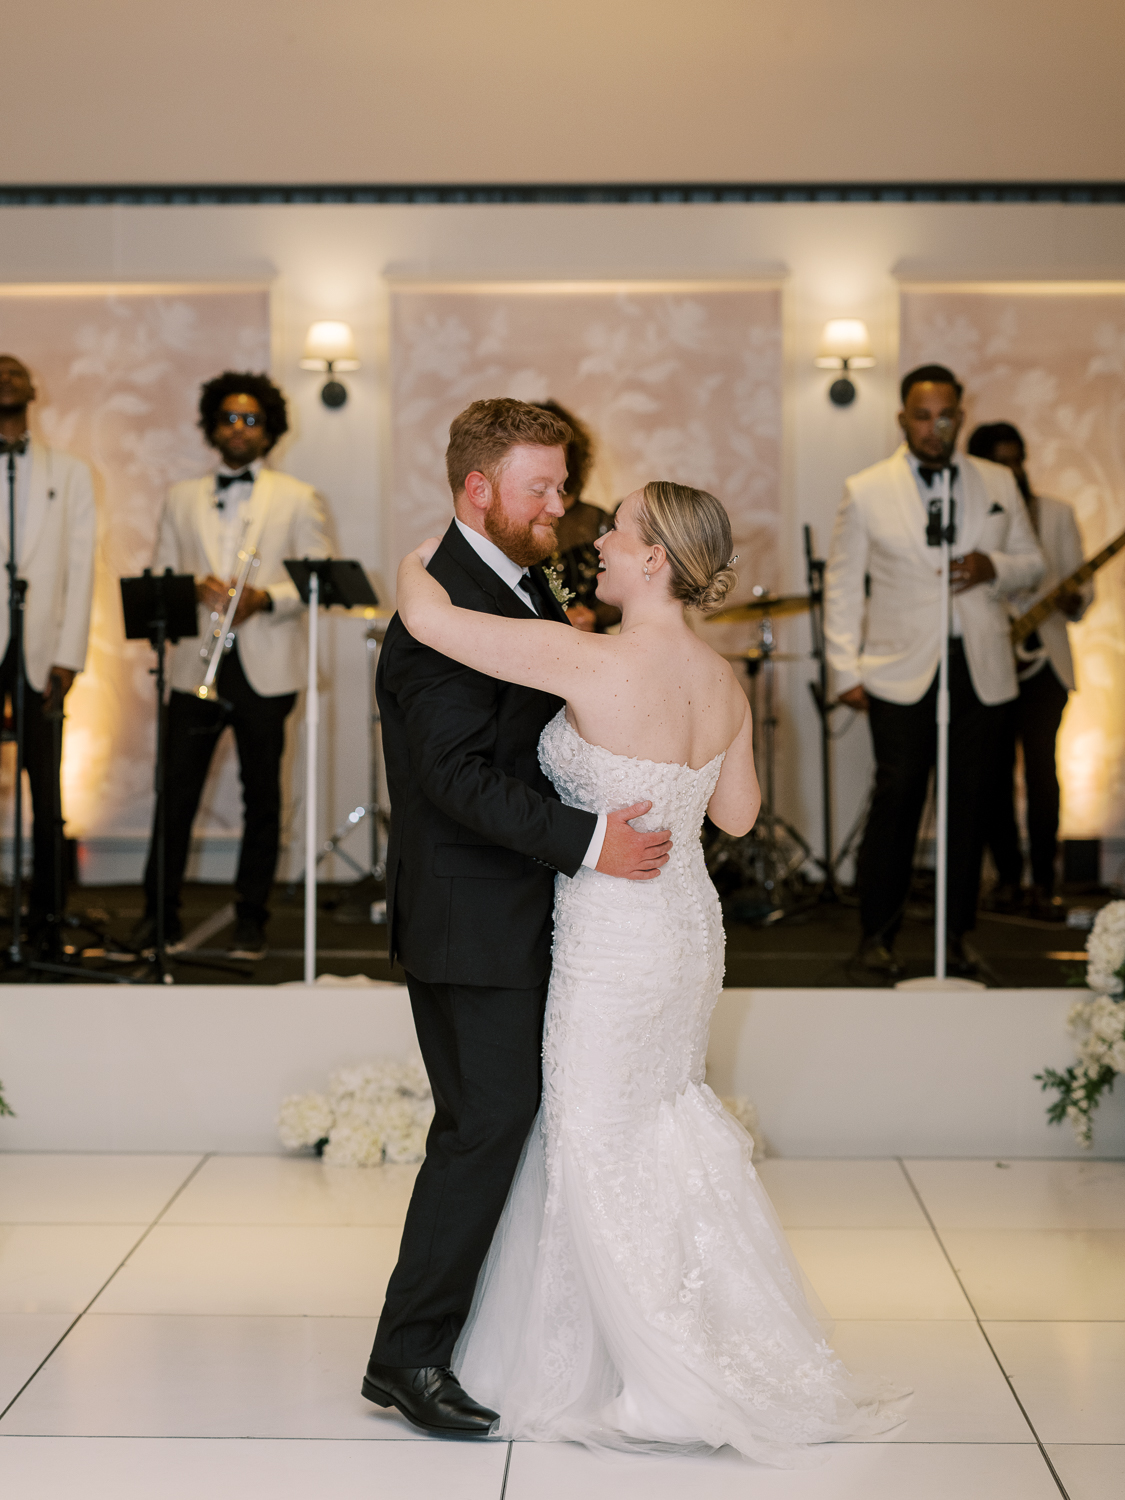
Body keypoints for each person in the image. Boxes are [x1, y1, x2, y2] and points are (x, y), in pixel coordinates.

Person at [392, 477, 907, 1465]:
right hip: (686, 930)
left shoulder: (585, 659)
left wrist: (427, 548)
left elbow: (429, 617)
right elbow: (738, 817)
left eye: (619, 532)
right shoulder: (723, 681)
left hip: (615, 935)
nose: (601, 544)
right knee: (663, 1120)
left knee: (594, 1136)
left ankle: (663, 1377)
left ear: (656, 559)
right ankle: (694, 1345)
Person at [361, 399, 673, 1438]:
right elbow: (449, 777)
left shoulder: (510, 579)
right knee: (483, 1126)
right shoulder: (441, 603)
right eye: (541, 488)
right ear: (476, 491)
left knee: (494, 1123)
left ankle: (442, 1342)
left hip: (513, 906)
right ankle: (407, 1359)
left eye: (563, 485)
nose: (561, 505)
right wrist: (590, 841)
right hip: (468, 913)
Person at [825, 365, 1044, 979]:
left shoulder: (998, 480)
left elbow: (1033, 563)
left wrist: (993, 564)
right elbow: (842, 585)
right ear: (902, 419)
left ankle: (959, 937)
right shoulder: (866, 488)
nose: (933, 427)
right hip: (898, 671)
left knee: (972, 804)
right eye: (921, 415)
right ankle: (877, 935)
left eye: (944, 415)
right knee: (897, 799)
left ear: (960, 416)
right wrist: (844, 667)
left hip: (981, 669)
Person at [131, 372, 329, 960]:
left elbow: (315, 576)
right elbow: (160, 571)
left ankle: (251, 919)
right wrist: (195, 587)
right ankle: (157, 917)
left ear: (269, 430)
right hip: (197, 662)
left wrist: (266, 598)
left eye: (250, 420)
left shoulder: (299, 497)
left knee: (262, 798)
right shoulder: (180, 496)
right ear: (212, 427)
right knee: (175, 795)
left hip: (265, 666)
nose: (238, 429)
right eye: (228, 418)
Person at [969, 422, 1092, 920]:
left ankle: (1044, 879)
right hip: (992, 659)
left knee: (1044, 771)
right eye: (1002, 462)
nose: (1014, 470)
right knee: (994, 776)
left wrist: (1073, 597)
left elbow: (1083, 592)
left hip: (1047, 665)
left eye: (1018, 459)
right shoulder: (975, 519)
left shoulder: (1058, 514)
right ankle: (1007, 878)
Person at [0, 354, 95, 950]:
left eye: (14, 371)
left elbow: (80, 568)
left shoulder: (72, 472)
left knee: (47, 789)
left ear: (33, 389)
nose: (6, 378)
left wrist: (69, 654)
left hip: (41, 653)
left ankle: (46, 923)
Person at [533, 399, 620, 633]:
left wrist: (590, 617)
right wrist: (554, 619)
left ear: (572, 452)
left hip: (594, 646)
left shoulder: (599, 520)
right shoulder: (511, 523)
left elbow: (629, 589)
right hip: (532, 649)